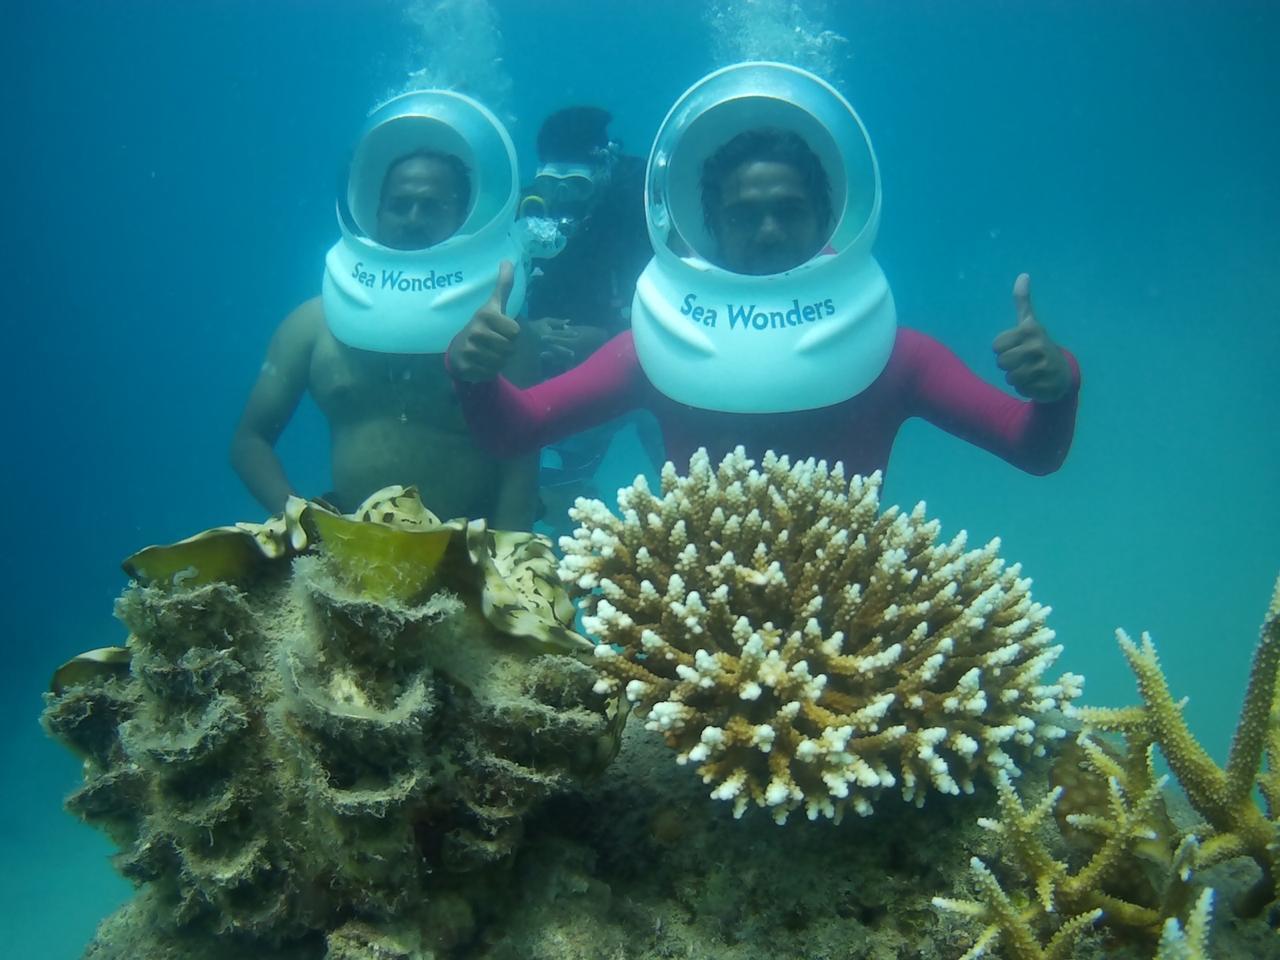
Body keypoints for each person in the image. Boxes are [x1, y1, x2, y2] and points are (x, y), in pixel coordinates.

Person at [445, 69, 1079, 486]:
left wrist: (1058, 385)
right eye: (744, 215)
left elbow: (1032, 450)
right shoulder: (653, 350)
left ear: (830, 220)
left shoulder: (898, 355)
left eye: (791, 210)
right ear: (709, 229)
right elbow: (514, 432)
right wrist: (472, 373)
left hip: (851, 638)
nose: (769, 230)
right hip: (692, 646)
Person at [230, 95, 539, 527]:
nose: (413, 218)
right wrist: (299, 524)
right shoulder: (313, 325)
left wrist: (505, 567)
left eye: (432, 205)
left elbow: (521, 462)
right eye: (399, 204)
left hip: (469, 545)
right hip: (345, 547)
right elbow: (250, 440)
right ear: (374, 212)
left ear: (464, 216)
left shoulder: (498, 329)